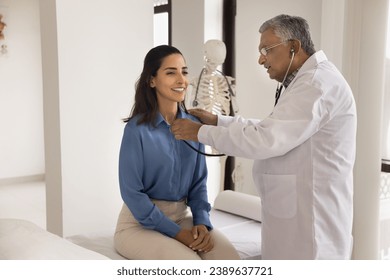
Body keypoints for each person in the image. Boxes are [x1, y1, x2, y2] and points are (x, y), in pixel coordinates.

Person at [171, 14, 357, 260]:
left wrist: (199, 132)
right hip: (292, 214)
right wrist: (218, 121)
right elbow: (273, 129)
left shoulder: (316, 84)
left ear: (294, 47)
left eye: (266, 50)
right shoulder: (306, 82)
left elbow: (266, 139)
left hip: (311, 223)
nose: (261, 59)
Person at [114, 45, 240, 260]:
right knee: (188, 265)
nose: (181, 80)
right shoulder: (136, 130)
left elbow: (198, 183)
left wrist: (201, 221)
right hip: (138, 224)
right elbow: (132, 193)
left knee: (230, 260)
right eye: (171, 72)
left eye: (184, 71)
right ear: (152, 80)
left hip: (183, 218)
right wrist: (178, 234)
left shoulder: (194, 126)